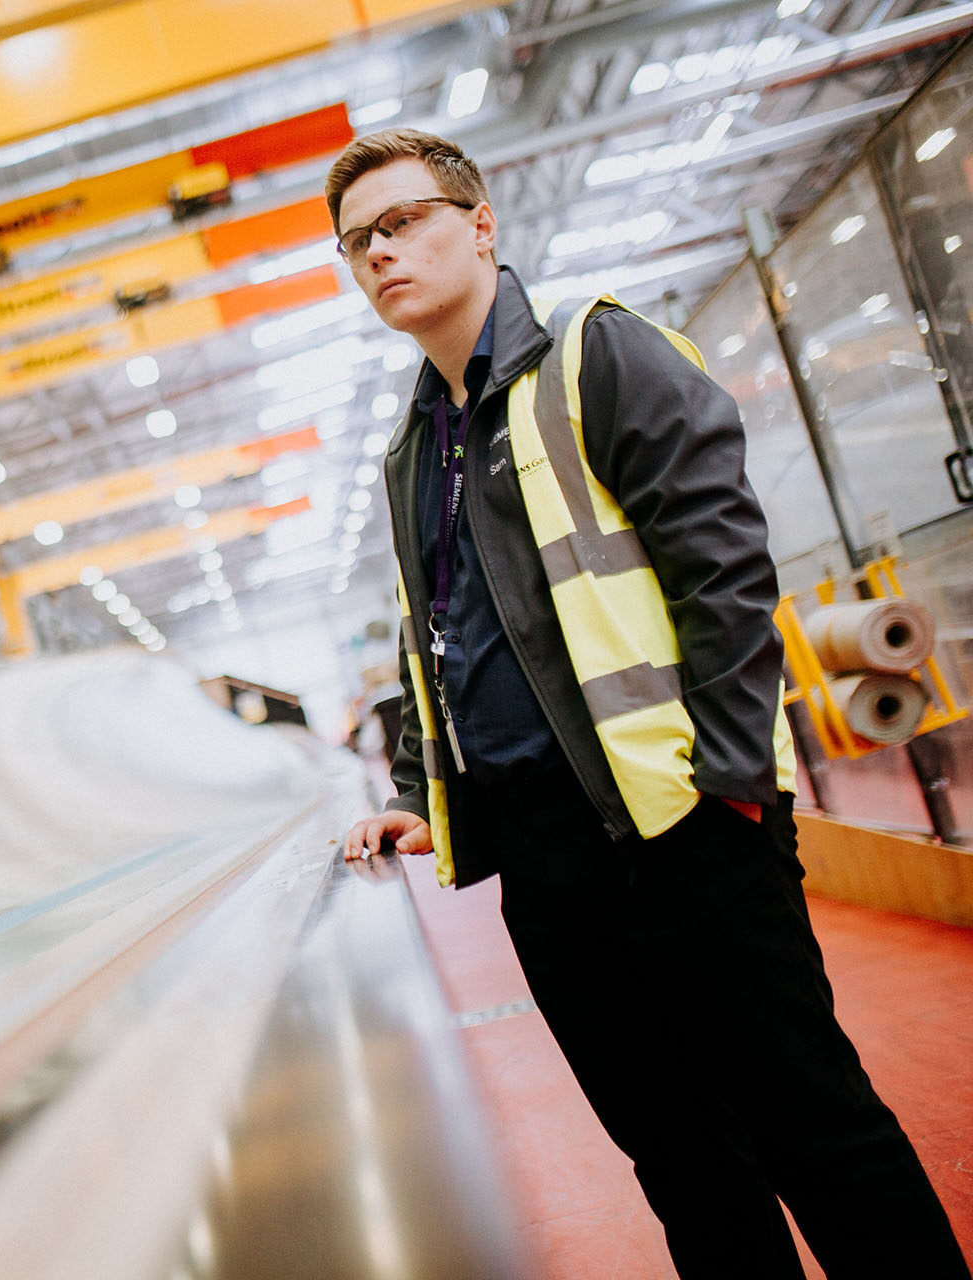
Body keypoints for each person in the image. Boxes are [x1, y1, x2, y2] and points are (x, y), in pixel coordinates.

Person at [327, 128, 969, 1279]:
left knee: (812, 1127)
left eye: (404, 219)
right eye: (357, 239)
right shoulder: (412, 448)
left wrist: (726, 787)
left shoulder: (599, 356)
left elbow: (724, 572)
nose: (381, 251)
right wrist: (431, 795)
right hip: (546, 862)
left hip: (680, 827)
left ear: (479, 223)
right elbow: (453, 639)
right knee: (678, 1159)